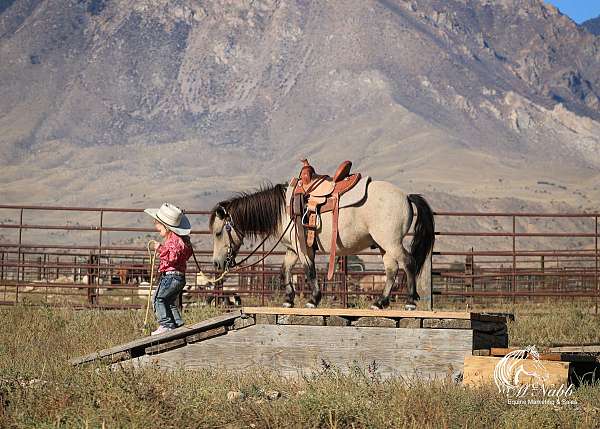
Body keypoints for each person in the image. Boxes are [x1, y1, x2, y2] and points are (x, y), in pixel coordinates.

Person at [144, 203, 193, 335]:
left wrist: (160, 248)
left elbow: (172, 257)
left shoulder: (173, 241)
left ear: (166, 226)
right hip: (179, 277)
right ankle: (178, 324)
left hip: (171, 276)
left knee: (157, 298)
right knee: (169, 301)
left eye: (158, 225)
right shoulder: (181, 241)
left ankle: (166, 324)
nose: (157, 228)